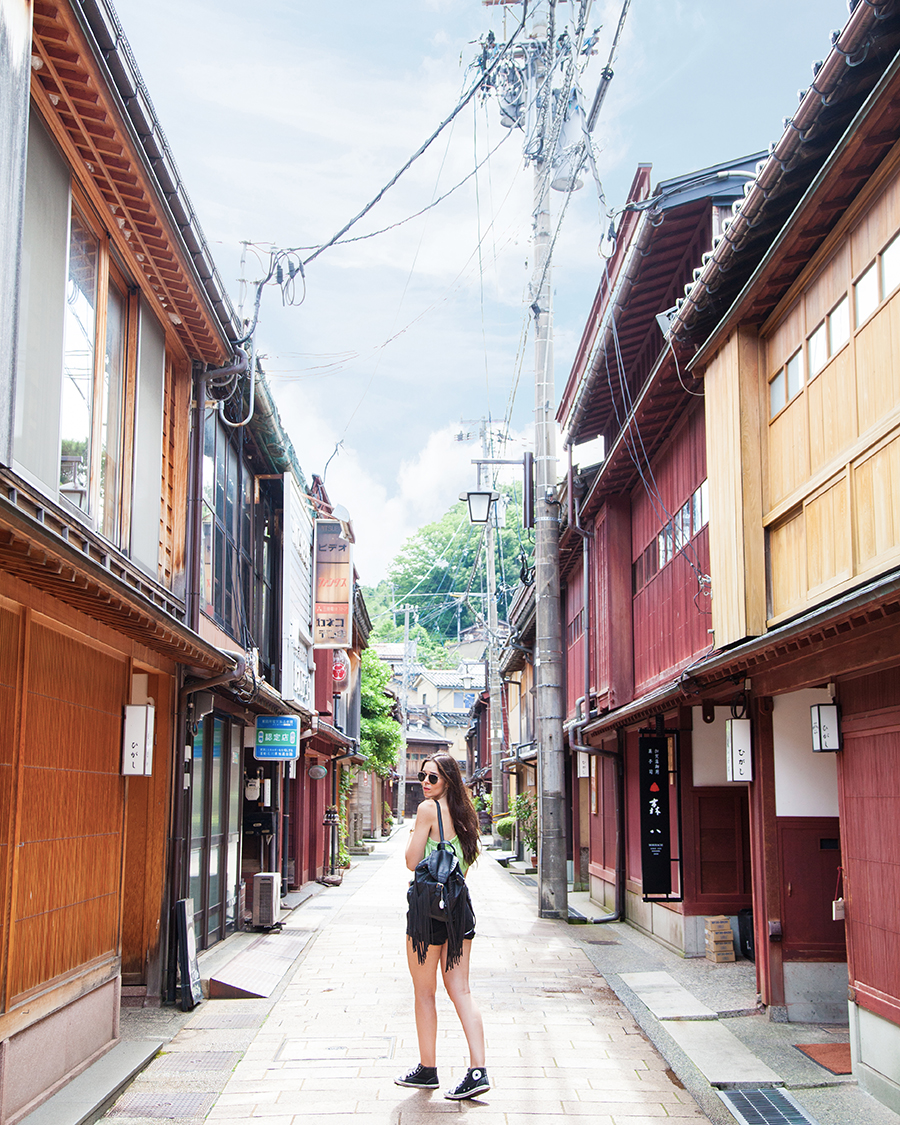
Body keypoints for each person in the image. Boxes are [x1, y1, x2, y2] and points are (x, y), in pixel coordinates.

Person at [395, 753, 489, 1101]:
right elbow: (464, 866)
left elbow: (410, 861)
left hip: (426, 912)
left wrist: (414, 836)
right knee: (461, 991)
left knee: (424, 992)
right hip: (459, 911)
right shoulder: (467, 816)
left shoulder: (426, 811)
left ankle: (427, 1069)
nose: (425, 783)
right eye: (422, 776)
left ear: (447, 780)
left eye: (432, 778)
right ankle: (478, 1069)